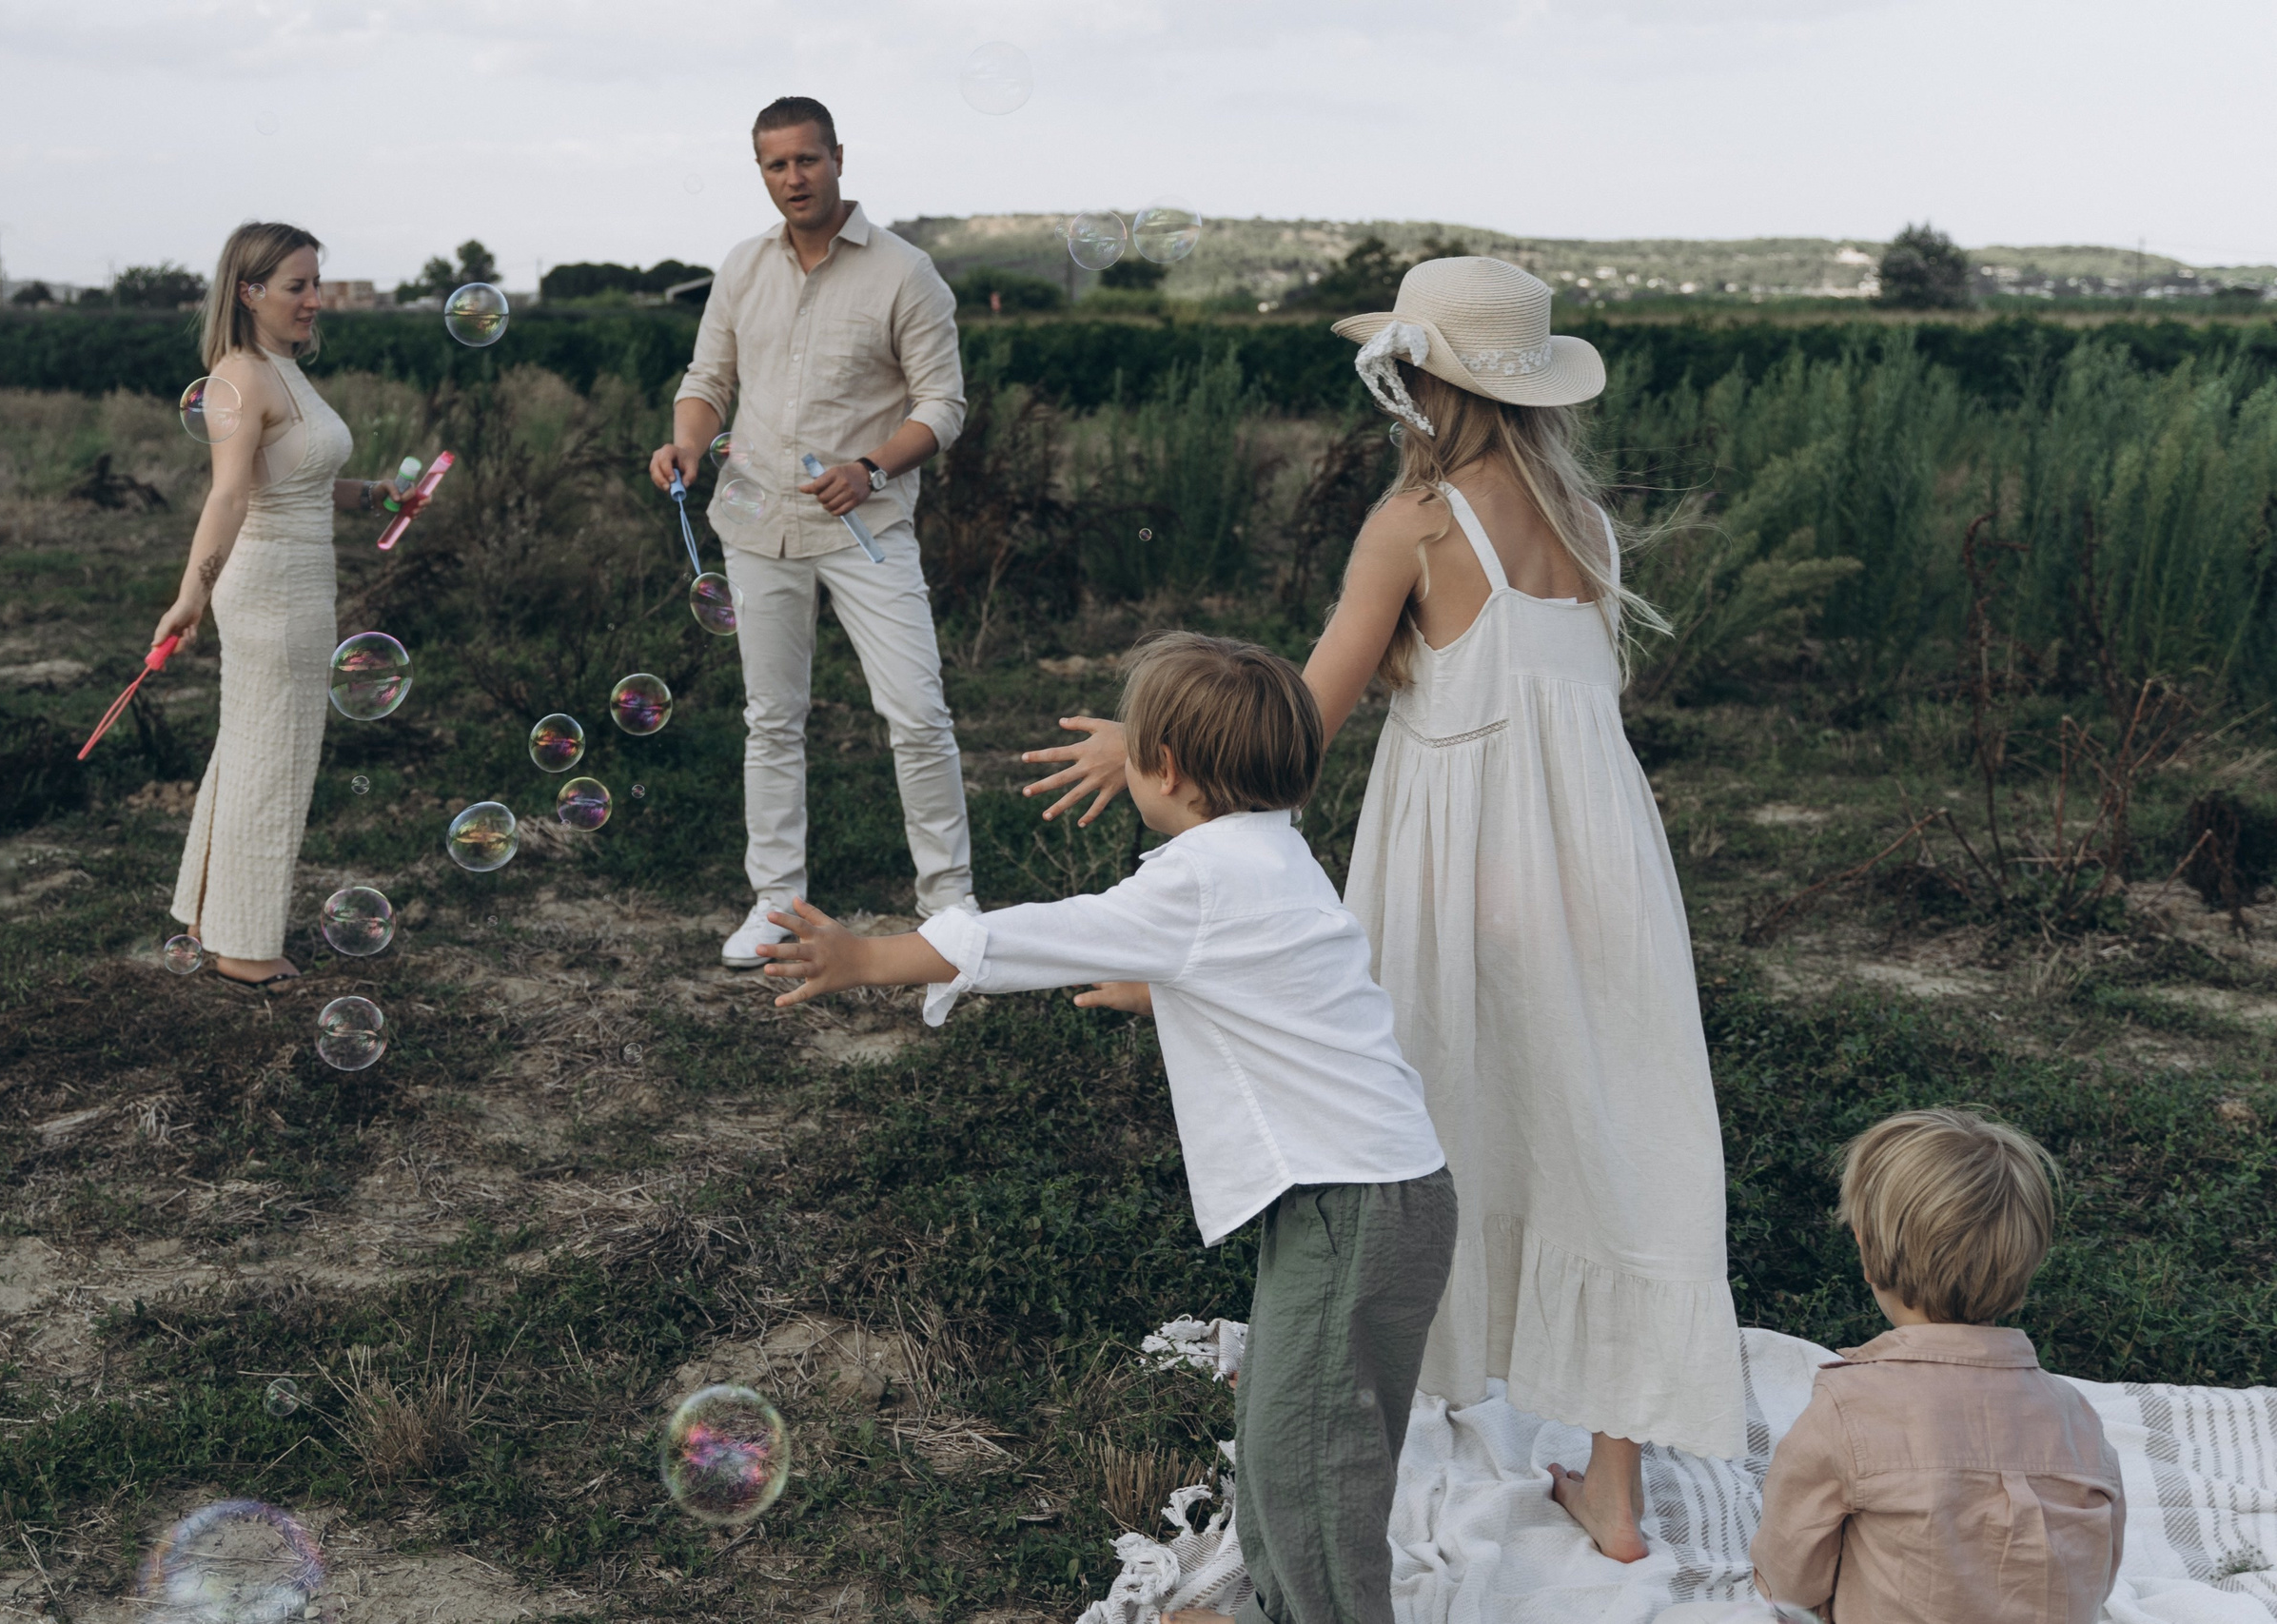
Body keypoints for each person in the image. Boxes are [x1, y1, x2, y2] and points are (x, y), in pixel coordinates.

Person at [1021, 257, 1744, 1560]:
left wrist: (1147, 741)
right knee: (1609, 1122)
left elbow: (1295, 727)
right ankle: (1618, 1488)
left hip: (1457, 861)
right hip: (1600, 865)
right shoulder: (1586, 522)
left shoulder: (1411, 523)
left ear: (1419, 382)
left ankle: (1371, 1395)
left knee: (1410, 1105)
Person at [760, 632, 1457, 1624]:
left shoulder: (1200, 877)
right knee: (1293, 1432)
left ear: (1162, 770)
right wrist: (1167, 988)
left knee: (1309, 1460)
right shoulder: (1273, 851)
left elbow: (1042, 930)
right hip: (1386, 1199)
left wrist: (870, 957)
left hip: (1348, 1207)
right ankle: (1282, 1601)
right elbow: (1277, 977)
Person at [647, 95, 974, 967]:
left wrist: (870, 467)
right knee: (771, 718)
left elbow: (944, 405)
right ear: (760, 171)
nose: (793, 178)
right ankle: (774, 902)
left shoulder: (906, 272)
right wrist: (684, 440)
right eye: (775, 165)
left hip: (866, 527)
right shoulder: (742, 266)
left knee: (917, 713)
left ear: (838, 157)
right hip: (755, 524)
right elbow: (706, 378)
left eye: (807, 160)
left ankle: (951, 906)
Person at [157, 222, 426, 988]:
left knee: (255, 756)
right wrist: (190, 597)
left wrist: (376, 493)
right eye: (297, 286)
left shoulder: (283, 368)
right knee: (269, 764)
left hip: (303, 587)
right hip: (270, 592)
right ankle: (244, 949)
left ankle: (215, 922)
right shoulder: (239, 377)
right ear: (250, 293)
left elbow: (297, 479)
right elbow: (232, 494)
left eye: (316, 283)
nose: (315, 300)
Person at [1752, 1108, 2124, 1623]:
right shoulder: (2076, 1416)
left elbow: (1789, 1579)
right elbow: (2099, 1576)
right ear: (2026, 1262)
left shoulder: (1848, 1409)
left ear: (1866, 1247)